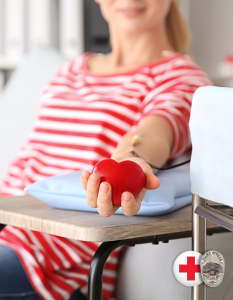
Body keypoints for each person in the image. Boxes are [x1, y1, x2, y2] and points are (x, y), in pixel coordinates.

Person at [0, 0, 212, 299]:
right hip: (9, 218)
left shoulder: (183, 79)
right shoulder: (69, 72)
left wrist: (132, 160)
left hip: (58, 259)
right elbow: (30, 157)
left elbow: (153, 132)